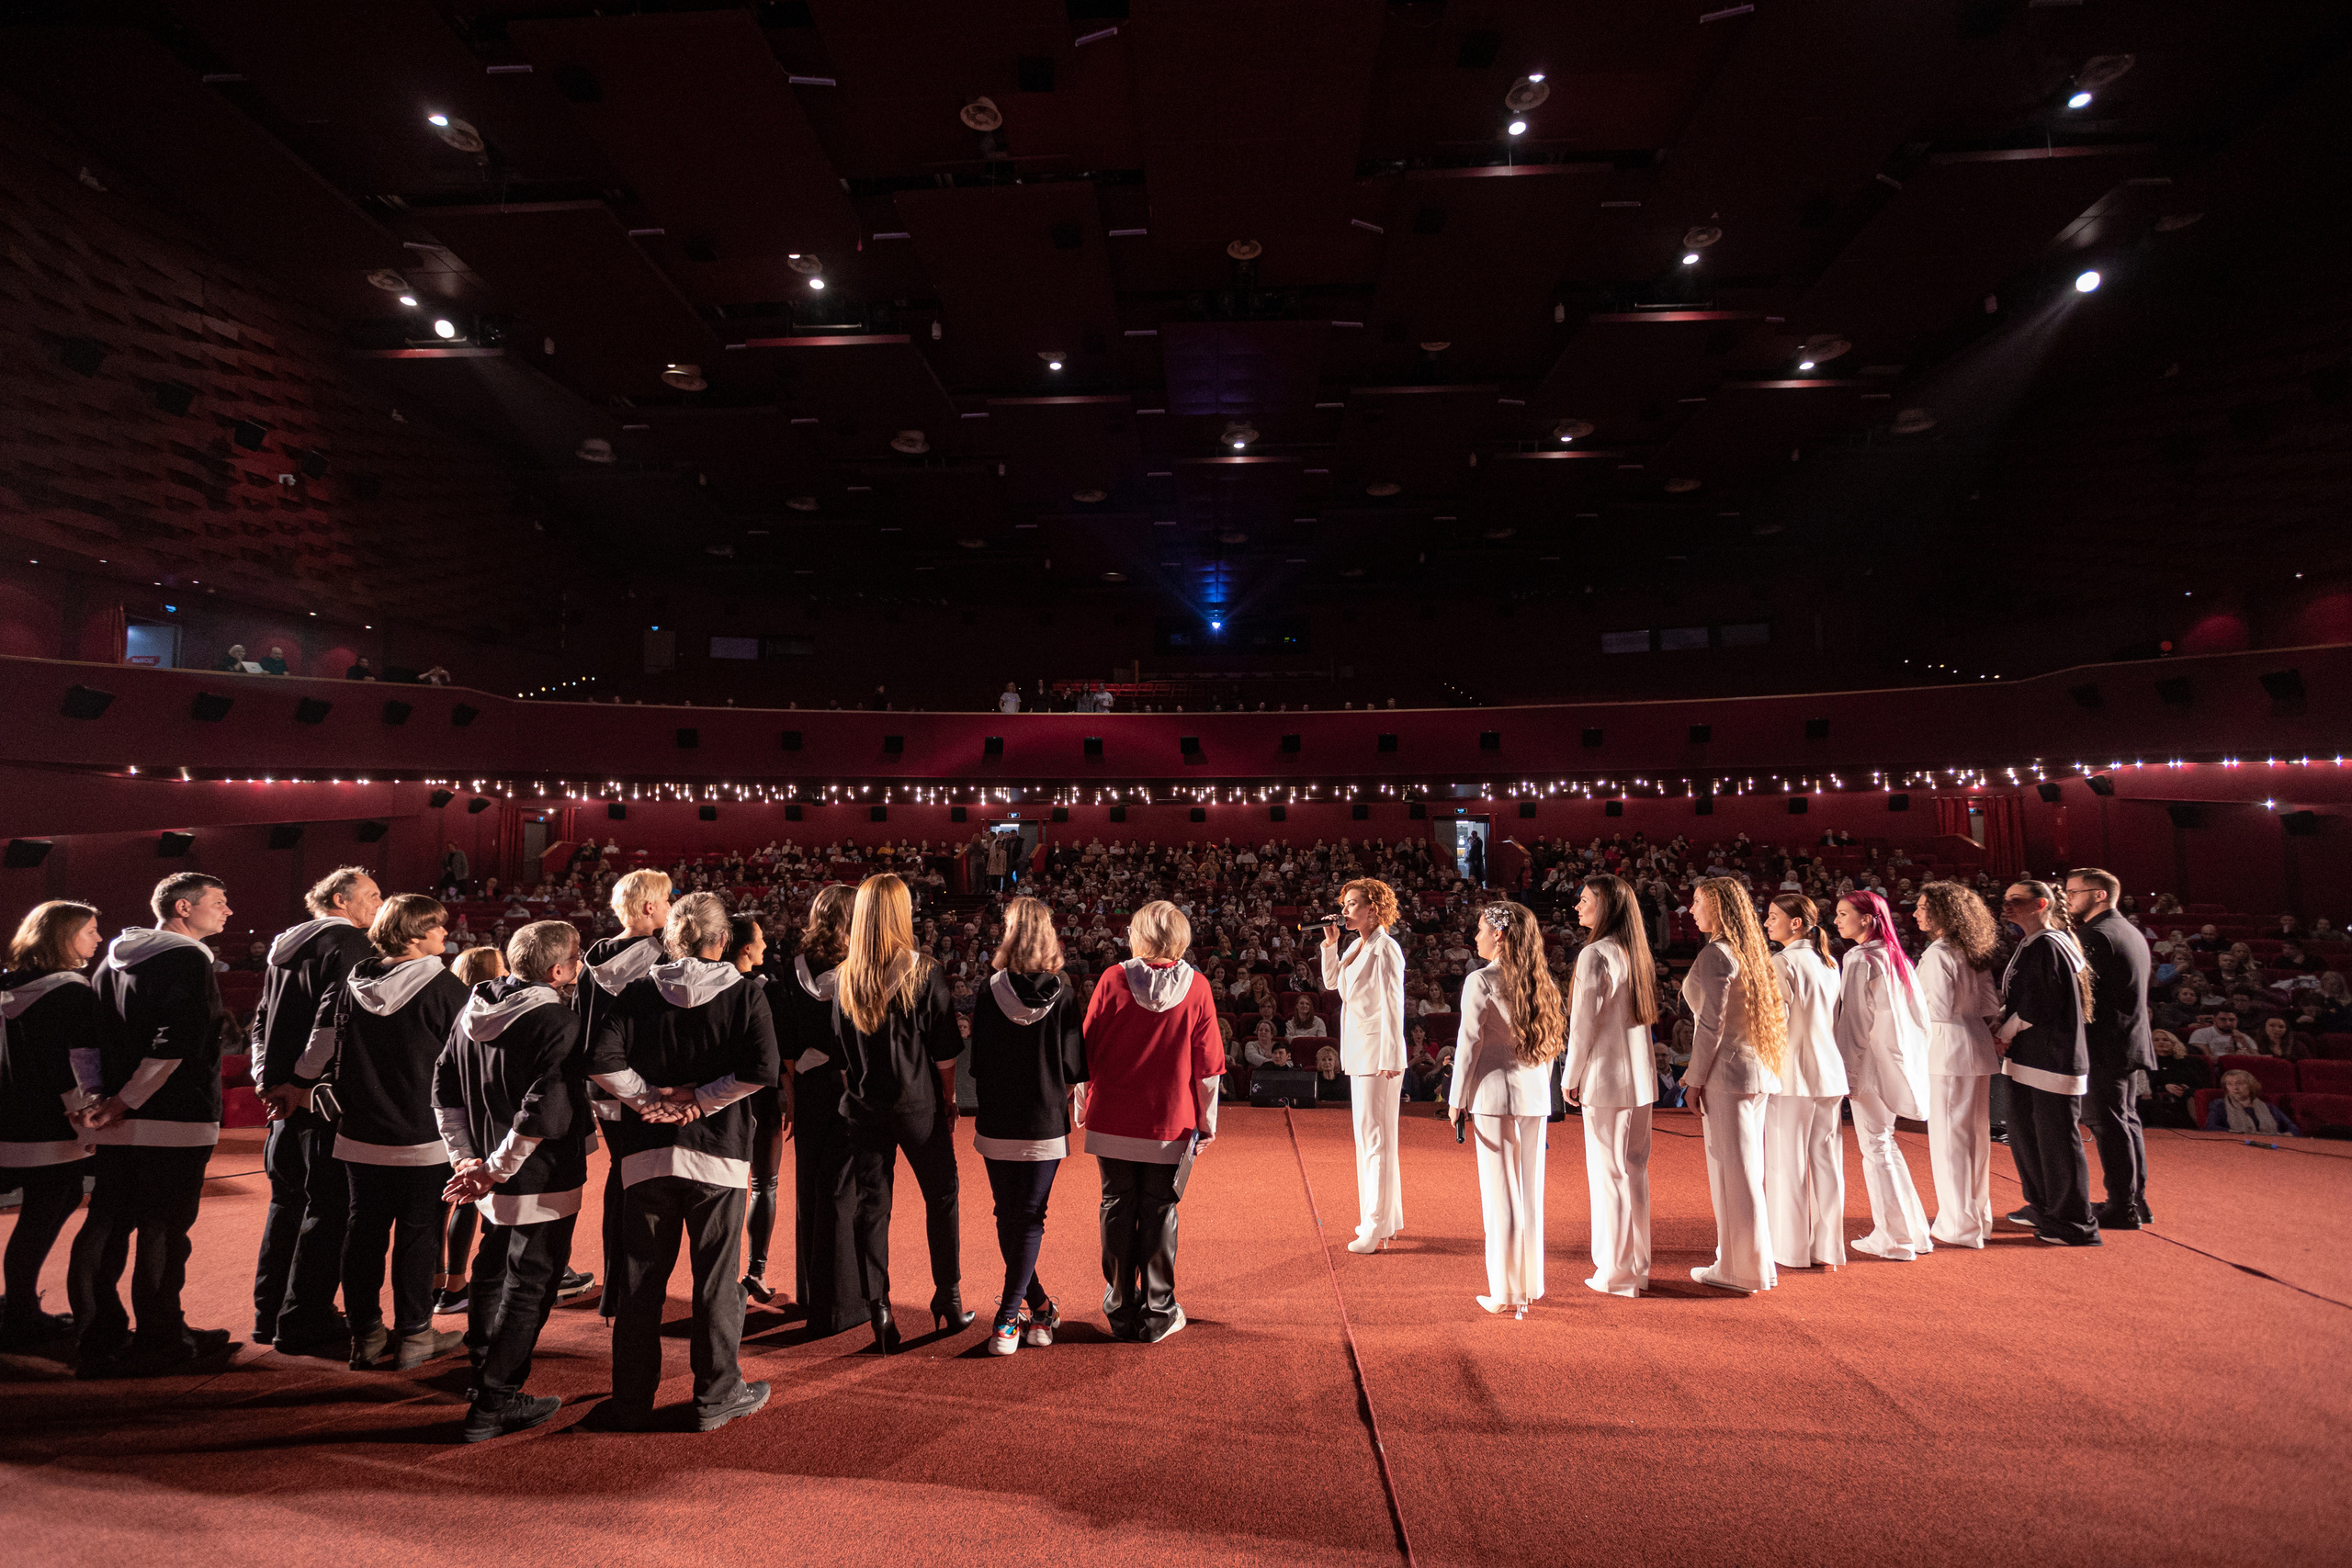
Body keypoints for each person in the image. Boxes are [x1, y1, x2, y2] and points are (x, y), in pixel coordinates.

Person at [586, 891, 778, 1431]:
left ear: (671, 938)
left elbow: (600, 1061)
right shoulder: (746, 995)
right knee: (716, 1280)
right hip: (718, 1157)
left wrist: (648, 1100)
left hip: (646, 1154)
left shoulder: (635, 992)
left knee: (640, 1280)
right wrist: (699, 1101)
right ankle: (716, 1394)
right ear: (721, 940)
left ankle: (630, 1398)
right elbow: (762, 1070)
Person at [288, 894, 468, 1371]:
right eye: (437, 928)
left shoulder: (352, 982)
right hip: (424, 1136)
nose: (445, 935)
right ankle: (414, 1335)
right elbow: (468, 1065)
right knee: (419, 1235)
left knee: (362, 1234)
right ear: (413, 934)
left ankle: (365, 1334)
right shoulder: (446, 987)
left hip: (359, 1131)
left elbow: (318, 1049)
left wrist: (295, 1085)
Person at [69, 872, 234, 1379]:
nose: (228, 912)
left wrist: (100, 1097)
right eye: (220, 902)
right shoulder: (186, 958)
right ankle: (162, 1337)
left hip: (121, 1115)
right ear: (183, 909)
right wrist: (124, 1100)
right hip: (174, 1118)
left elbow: (86, 1038)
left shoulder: (112, 958)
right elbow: (179, 1040)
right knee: (164, 1229)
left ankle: (99, 1334)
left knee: (108, 1223)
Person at [434, 920, 591, 1442]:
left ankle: (483, 1370)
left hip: (485, 1171)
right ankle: (495, 1401)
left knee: (492, 1268)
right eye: (576, 958)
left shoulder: (469, 1011)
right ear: (557, 970)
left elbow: (444, 1094)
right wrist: (492, 1169)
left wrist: (467, 1163)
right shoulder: (557, 1021)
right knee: (530, 1286)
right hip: (535, 1175)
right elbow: (543, 1113)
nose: (582, 966)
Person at [1077, 900, 1224, 1342]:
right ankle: (1159, 1312)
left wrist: (1084, 1109)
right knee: (1160, 1211)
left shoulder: (1111, 978)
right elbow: (1209, 1066)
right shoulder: (1197, 987)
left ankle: (1121, 1310)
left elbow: (1086, 1051)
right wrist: (1207, 1123)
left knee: (1116, 1206)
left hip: (1113, 1119)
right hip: (1170, 1121)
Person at [832, 874, 967, 1354]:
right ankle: (948, 1296)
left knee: (873, 1208)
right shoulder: (923, 971)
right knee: (943, 1194)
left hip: (865, 1107)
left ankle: (880, 1310)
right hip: (918, 1107)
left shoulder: (845, 976)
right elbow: (945, 1054)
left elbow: (844, 1055)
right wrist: (949, 1101)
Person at [250, 865, 381, 1357]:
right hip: (318, 1097)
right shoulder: (347, 943)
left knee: (285, 1205)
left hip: (283, 1097)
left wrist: (270, 1082)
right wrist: (301, 1083)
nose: (377, 903)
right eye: (370, 895)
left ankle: (269, 1313)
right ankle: (304, 1316)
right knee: (326, 1210)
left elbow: (260, 1020)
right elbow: (332, 1024)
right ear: (341, 900)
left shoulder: (283, 947)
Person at [967, 897, 1086, 1357]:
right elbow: (1074, 1064)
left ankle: (1025, 1310)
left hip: (997, 1117)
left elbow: (975, 1065)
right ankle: (1017, 1315)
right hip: (1044, 1118)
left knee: (1008, 1214)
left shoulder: (988, 988)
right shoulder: (1065, 990)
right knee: (1030, 1216)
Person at [1447, 901, 1564, 1317]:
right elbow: (1549, 1049)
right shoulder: (1541, 980)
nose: (1475, 936)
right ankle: (1529, 1282)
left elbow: (1468, 1045)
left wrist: (1456, 1097)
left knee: (1502, 1196)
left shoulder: (1481, 980)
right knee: (1530, 1192)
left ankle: (1506, 1291)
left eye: (1480, 928)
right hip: (1533, 1095)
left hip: (1495, 1096)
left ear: (1499, 934)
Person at [1, 901, 103, 1349]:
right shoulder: (72, 992)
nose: (98, 939)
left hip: (9, 1115)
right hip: (56, 1120)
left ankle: (19, 1308)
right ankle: (21, 1315)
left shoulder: (6, 985)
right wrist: (88, 1119)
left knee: (37, 1217)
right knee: (45, 1214)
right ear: (65, 936)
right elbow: (79, 1062)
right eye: (90, 931)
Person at [1680, 880, 1785, 1296]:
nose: (1691, 910)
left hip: (1727, 1075)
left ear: (1719, 908)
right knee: (1746, 1172)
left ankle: (1744, 1268)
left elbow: (1710, 1025)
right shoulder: (1752, 953)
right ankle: (1744, 1263)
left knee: (1734, 1174)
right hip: (1753, 1072)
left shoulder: (1715, 953)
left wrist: (1693, 1078)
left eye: (1699, 902)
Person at [577, 869, 672, 1323]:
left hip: (600, 1086)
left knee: (620, 1177)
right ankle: (629, 1293)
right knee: (642, 1187)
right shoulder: (661, 956)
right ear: (651, 907)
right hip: (643, 1087)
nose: (673, 908)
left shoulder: (595, 953)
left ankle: (614, 1290)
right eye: (669, 900)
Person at [1559, 874, 1658, 1298]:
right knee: (1634, 1169)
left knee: (1609, 1173)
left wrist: (1570, 1075)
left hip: (1606, 1076)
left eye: (1585, 901)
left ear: (1606, 906)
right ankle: (1637, 1267)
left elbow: (1583, 1026)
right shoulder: (1635, 953)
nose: (1577, 907)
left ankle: (1616, 1273)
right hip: (1639, 1077)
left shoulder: (1594, 955)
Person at [1993, 881, 2101, 1247]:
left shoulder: (2049, 944)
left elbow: (2040, 1003)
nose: (2006, 906)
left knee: (2056, 1141)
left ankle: (2073, 1223)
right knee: (2029, 1138)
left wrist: (2004, 1031)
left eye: (2016, 901)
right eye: (2005, 900)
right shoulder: (2034, 943)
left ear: (2040, 904)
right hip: (2030, 1057)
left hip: (2051, 1058)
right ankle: (2044, 1207)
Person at [778, 886, 862, 1339]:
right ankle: (842, 1304)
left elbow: (785, 1035)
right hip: (849, 1084)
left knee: (810, 1185)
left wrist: (791, 1084)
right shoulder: (860, 967)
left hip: (808, 1083)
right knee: (841, 1191)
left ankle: (812, 1293)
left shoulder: (793, 967)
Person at [1831, 891, 1934, 1261]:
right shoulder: (1897, 957)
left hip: (1870, 1065)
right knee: (1884, 1144)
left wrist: (1848, 1074)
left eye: (1844, 914)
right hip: (1893, 1062)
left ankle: (1897, 1237)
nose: (1837, 921)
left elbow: (1855, 1022)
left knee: (1876, 1147)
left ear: (1869, 919)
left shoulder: (1860, 958)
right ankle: (1911, 1232)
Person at [1914, 882, 2002, 1250]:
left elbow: (1933, 1010)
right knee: (1975, 1139)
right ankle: (1977, 1218)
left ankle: (1958, 1224)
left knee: (1950, 1139)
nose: (1916, 913)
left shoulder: (1938, 953)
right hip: (1976, 1044)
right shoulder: (1972, 951)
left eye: (1922, 907)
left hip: (1947, 1048)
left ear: (1941, 913)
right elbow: (1989, 1006)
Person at [1321, 877, 1407, 1256]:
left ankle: (1374, 1226)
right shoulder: (1357, 945)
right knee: (1371, 1139)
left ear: (1373, 908)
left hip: (1378, 1055)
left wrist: (1391, 1056)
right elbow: (1330, 983)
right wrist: (1330, 944)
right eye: (1345, 904)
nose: (1345, 910)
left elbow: (1394, 1005)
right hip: (1361, 1050)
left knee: (1376, 1141)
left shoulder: (1385, 949)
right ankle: (1384, 1219)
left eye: (1352, 904)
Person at [2067, 868, 2155, 1231]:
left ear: (2100, 895)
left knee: (2110, 1124)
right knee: (2126, 1121)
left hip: (2105, 1044)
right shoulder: (2128, 930)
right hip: (2126, 1040)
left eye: (2074, 892)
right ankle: (2135, 1200)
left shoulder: (2095, 935)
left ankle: (2123, 1206)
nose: (2068, 899)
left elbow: (2085, 998)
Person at [1763, 894, 1847, 1272]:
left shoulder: (1782, 962)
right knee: (1827, 1163)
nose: (1767, 923)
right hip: (1829, 1072)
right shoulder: (1829, 962)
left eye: (1773, 917)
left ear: (1796, 923)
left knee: (1787, 1163)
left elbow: (1776, 1025)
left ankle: (1791, 1248)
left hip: (1792, 1074)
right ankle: (1828, 1247)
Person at [723, 916, 795, 1312]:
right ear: (746, 948)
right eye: (761, 939)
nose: (766, 944)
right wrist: (791, 1095)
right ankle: (755, 1272)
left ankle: (725, 1275)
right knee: (764, 1184)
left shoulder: (708, 989)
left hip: (718, 1100)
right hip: (760, 1098)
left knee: (728, 1188)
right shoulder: (770, 990)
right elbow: (782, 1054)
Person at [2205, 1068, 2299, 1134]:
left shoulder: (2269, 1108)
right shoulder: (2219, 1106)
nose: (2235, 1088)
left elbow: (2293, 1128)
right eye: (2229, 1084)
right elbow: (2211, 1128)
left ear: (2251, 1085)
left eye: (2240, 1083)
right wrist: (2241, 1134)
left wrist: (2286, 1135)